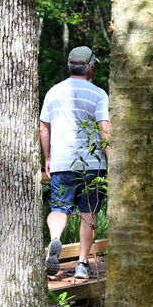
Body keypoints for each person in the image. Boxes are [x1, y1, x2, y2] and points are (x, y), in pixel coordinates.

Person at [39, 46, 110, 280]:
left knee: (58, 208)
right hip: (92, 164)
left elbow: (43, 127)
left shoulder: (53, 92)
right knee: (88, 213)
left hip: (62, 162)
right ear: (90, 67)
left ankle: (55, 239)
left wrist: (47, 157)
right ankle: (81, 264)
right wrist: (112, 160)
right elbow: (104, 129)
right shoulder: (98, 94)